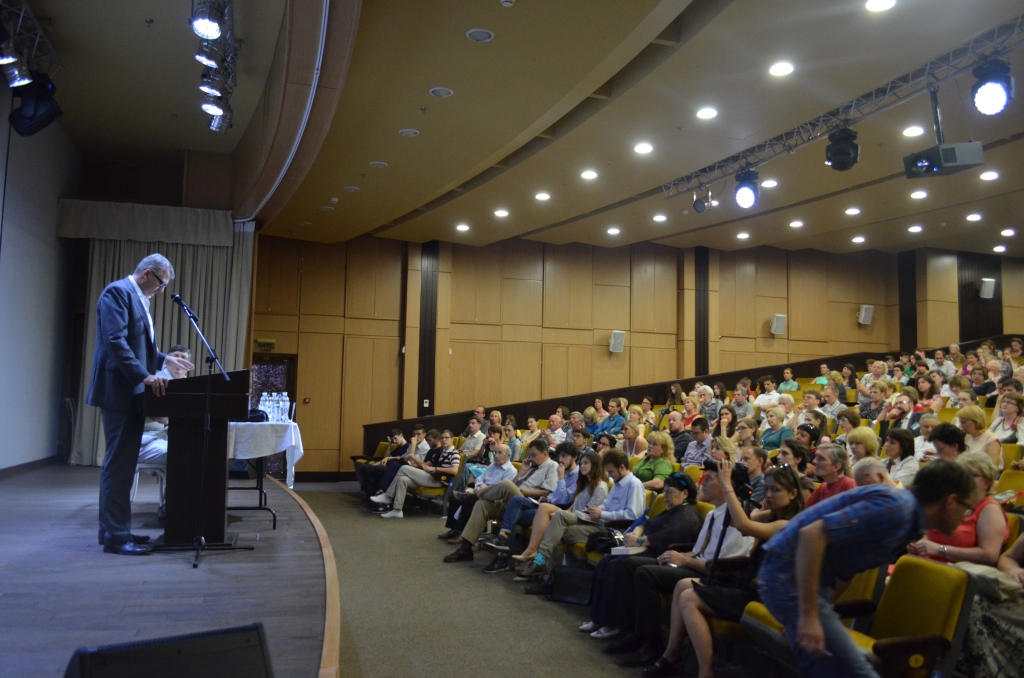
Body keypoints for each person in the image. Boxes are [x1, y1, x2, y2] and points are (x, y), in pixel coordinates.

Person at [757, 459, 979, 676]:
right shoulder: (898, 510)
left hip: (795, 578)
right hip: (787, 575)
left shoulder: (907, 517)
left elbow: (848, 566)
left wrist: (815, 615)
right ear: (950, 501)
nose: (966, 516)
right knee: (854, 671)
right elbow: (812, 535)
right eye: (967, 507)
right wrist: (808, 616)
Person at [651, 462, 804, 677]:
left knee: (689, 598)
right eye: (767, 488)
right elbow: (733, 521)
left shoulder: (788, 524)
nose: (768, 495)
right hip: (750, 584)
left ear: (793, 494)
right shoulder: (772, 515)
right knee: (682, 586)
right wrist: (739, 493)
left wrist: (727, 486)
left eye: (776, 490)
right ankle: (671, 655)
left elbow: (744, 526)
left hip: (763, 594)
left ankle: (706, 672)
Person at [87, 255, 196, 555]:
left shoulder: (139, 299)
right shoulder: (117, 293)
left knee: (121, 467)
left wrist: (165, 359)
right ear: (147, 273)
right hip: (118, 392)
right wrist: (145, 376)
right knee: (118, 467)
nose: (162, 290)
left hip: (131, 394)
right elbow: (115, 342)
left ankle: (114, 531)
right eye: (161, 283)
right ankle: (116, 538)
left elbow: (141, 347)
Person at [603, 465, 755, 666]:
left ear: (727, 485)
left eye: (709, 479)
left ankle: (652, 644)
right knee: (629, 564)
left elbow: (723, 568)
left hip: (709, 575)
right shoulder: (713, 514)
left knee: (645, 573)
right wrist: (678, 555)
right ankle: (633, 632)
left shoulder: (737, 519)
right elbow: (698, 550)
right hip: (694, 563)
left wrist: (684, 560)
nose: (702, 482)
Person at [582, 472, 702, 640]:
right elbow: (647, 521)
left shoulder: (687, 513)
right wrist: (637, 533)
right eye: (665, 491)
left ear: (685, 493)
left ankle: (614, 624)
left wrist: (640, 540)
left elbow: (670, 536)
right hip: (648, 548)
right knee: (606, 561)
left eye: (670, 491)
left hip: (662, 554)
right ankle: (599, 618)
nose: (666, 495)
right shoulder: (671, 510)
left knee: (618, 565)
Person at [518, 450, 646, 578]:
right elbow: (606, 504)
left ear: (622, 467)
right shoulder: (617, 484)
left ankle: (545, 569)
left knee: (558, 528)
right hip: (599, 522)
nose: (610, 475)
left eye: (611, 472)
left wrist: (602, 514)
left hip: (611, 531)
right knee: (557, 527)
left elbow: (633, 515)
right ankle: (548, 572)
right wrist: (594, 510)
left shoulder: (634, 485)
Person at [443, 439, 559, 563]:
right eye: (530, 455)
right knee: (482, 504)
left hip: (527, 503)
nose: (531, 458)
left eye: (534, 455)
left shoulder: (552, 466)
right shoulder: (531, 466)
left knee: (506, 484)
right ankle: (465, 549)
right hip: (511, 500)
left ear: (545, 453)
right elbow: (513, 485)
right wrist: (522, 472)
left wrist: (522, 491)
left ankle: (472, 497)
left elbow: (546, 492)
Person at [478, 442, 581, 573]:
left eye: (564, 456)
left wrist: (559, 479)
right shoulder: (554, 469)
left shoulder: (573, 474)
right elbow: (554, 495)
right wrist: (523, 472)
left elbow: (565, 500)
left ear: (574, 457)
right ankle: (502, 553)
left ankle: (503, 550)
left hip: (556, 511)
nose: (561, 459)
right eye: (559, 456)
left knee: (512, 502)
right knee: (511, 512)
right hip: (541, 504)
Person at [910, 451, 1008, 566]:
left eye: (971, 475)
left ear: (987, 482)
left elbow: (990, 555)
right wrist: (919, 543)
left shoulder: (990, 509)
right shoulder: (952, 501)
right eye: (962, 475)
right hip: (926, 564)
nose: (964, 480)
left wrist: (941, 549)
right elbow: (930, 533)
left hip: (957, 572)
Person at [513, 449, 610, 565]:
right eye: (581, 463)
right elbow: (572, 507)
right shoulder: (585, 484)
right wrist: (563, 514)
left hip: (589, 523)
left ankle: (540, 561)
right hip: (574, 517)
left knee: (554, 529)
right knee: (544, 507)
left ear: (595, 465)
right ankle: (536, 555)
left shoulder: (600, 487)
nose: (582, 466)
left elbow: (588, 514)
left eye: (586, 463)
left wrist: (562, 514)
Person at [134, 344, 193, 522]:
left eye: (184, 358)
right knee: (181, 455)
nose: (179, 362)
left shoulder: (189, 385)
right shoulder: (158, 381)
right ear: (166, 361)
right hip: (146, 439)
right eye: (175, 357)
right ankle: (172, 509)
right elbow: (163, 417)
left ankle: (188, 504)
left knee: (195, 452)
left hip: (165, 437)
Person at [954, 531, 1024, 678]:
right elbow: (1008, 557)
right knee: (963, 598)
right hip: (1017, 595)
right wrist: (1013, 570)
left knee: (970, 608)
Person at [438, 437, 517, 542]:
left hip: (495, 499)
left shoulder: (511, 471)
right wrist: (479, 486)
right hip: (480, 490)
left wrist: (485, 488)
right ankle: (454, 529)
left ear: (508, 456)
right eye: (495, 452)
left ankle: (462, 533)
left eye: (499, 453)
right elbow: (480, 478)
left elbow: (502, 490)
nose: (496, 455)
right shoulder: (493, 465)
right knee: (454, 497)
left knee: (470, 500)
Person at [371, 430, 461, 519]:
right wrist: (424, 467)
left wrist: (435, 469)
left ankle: (387, 496)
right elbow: (426, 465)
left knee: (404, 468)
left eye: (446, 438)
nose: (444, 440)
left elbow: (454, 471)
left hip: (438, 481)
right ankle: (397, 510)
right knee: (402, 479)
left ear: (452, 439)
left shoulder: (454, 453)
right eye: (442, 438)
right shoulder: (444, 452)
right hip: (432, 475)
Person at [959, 405, 1003, 469]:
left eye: (964, 422)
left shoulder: (991, 439)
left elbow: (993, 466)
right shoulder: (967, 437)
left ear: (976, 421)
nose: (960, 426)